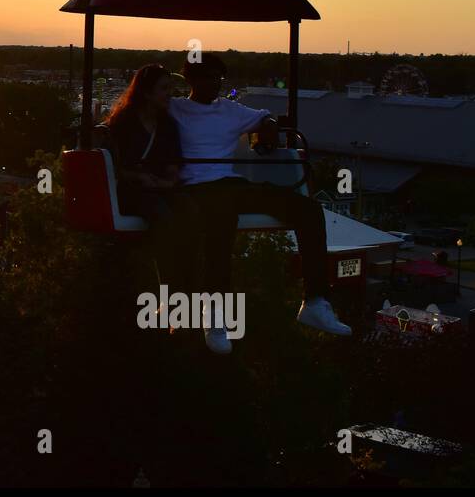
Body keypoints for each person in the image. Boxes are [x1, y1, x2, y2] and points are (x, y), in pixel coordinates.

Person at [171, 52, 351, 354]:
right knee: (221, 222)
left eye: (218, 78)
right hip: (194, 188)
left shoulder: (229, 110)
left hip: (228, 184)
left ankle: (316, 300)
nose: (214, 83)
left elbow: (263, 116)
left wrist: (267, 126)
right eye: (207, 77)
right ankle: (214, 315)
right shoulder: (174, 109)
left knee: (307, 209)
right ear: (190, 80)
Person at [101, 63, 202, 296]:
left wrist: (164, 183)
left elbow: (173, 166)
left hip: (160, 188)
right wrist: (142, 178)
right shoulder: (123, 124)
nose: (170, 94)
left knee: (191, 211)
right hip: (133, 191)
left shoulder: (167, 126)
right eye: (164, 89)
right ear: (147, 93)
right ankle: (171, 292)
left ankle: (192, 286)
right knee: (163, 217)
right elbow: (115, 167)